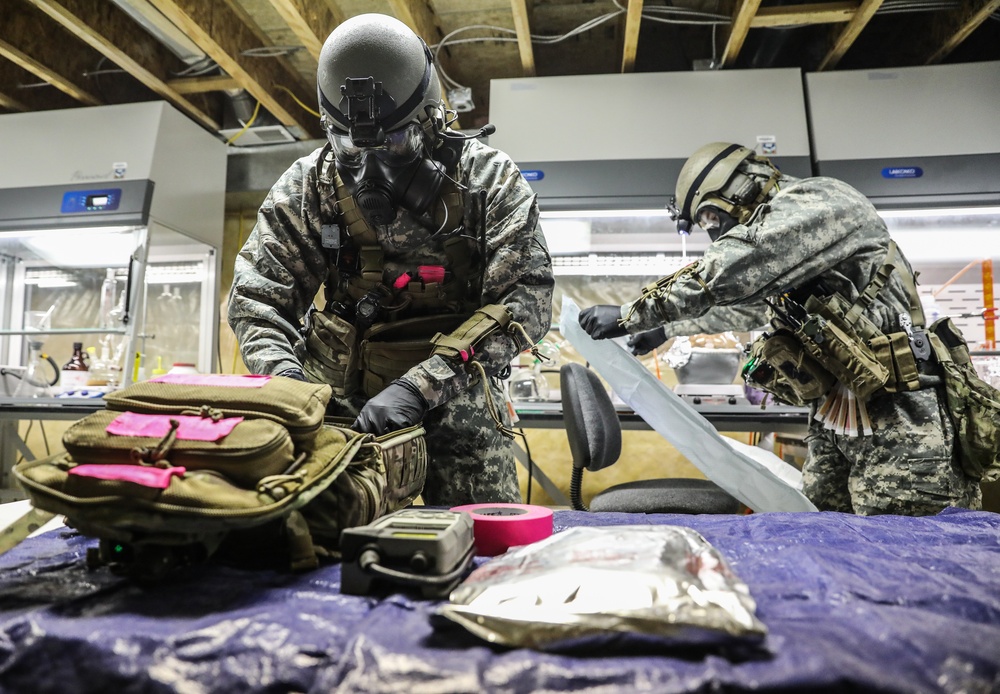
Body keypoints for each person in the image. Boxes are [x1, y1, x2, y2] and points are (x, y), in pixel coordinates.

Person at [228, 13, 553, 506]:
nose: (369, 168)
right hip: (339, 405)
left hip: (459, 401)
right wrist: (289, 386)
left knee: (478, 544)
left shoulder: (489, 181)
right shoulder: (308, 186)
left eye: (394, 142)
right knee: (322, 538)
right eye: (350, 147)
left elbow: (524, 303)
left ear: (432, 118)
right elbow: (257, 298)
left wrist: (421, 386)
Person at [579, 141, 981, 516]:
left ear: (738, 189)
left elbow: (736, 266)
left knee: (905, 551)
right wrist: (669, 328)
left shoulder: (819, 201)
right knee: (826, 533)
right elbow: (755, 309)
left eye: (711, 216)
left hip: (903, 415)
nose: (714, 231)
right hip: (838, 414)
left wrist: (631, 313)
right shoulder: (787, 243)